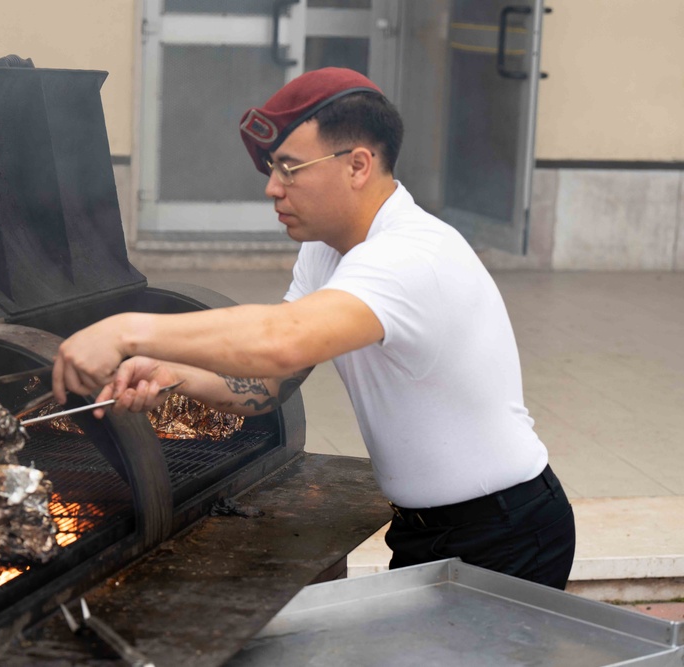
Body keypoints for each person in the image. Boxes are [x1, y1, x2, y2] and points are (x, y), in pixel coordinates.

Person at [51, 67, 576, 589]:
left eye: (289, 167)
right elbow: (268, 382)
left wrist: (125, 331)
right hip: (425, 530)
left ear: (358, 166)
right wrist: (171, 375)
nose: (272, 188)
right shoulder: (326, 251)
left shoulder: (410, 254)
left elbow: (282, 340)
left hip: (507, 532)